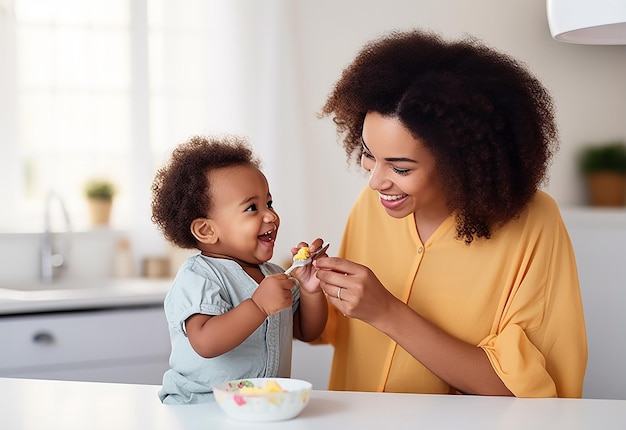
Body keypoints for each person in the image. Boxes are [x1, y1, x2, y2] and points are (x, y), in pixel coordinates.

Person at [313, 29, 587, 398]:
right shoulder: (372, 206)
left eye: (401, 168)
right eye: (368, 154)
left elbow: (525, 391)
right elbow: (330, 327)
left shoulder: (533, 223)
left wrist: (387, 313)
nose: (376, 181)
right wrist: (306, 288)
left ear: (461, 163)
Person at [150, 135, 328, 404]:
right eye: (252, 208)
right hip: (201, 408)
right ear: (207, 230)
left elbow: (307, 330)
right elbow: (205, 342)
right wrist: (258, 306)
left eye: (268, 203)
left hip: (261, 408)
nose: (271, 215)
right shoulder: (199, 276)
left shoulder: (273, 273)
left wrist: (311, 289)